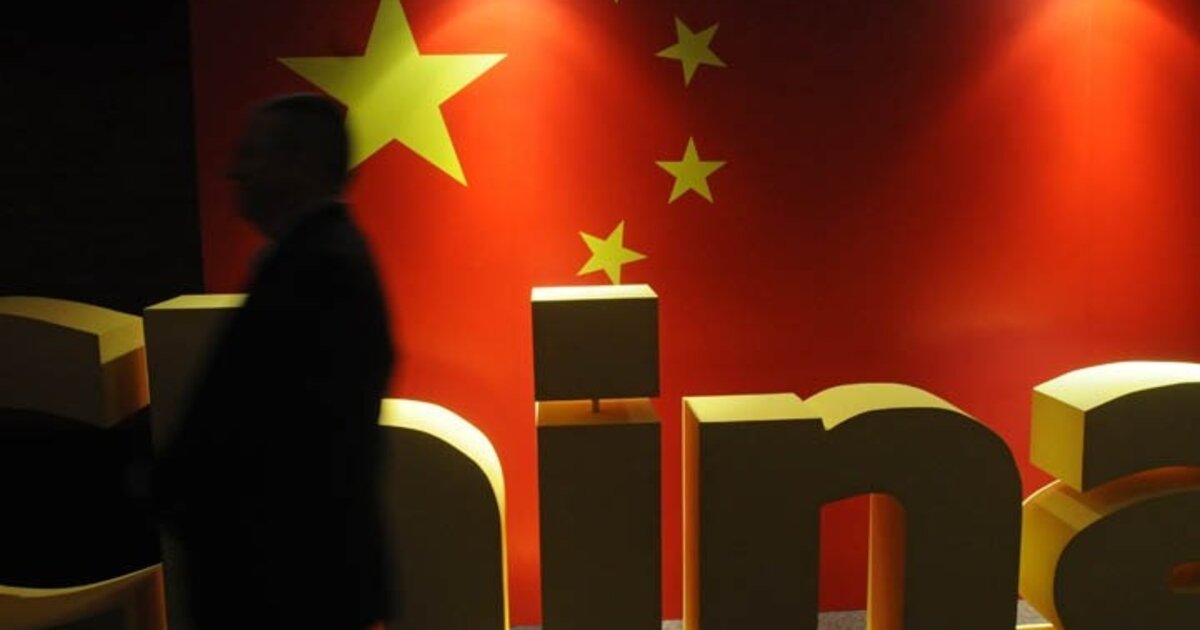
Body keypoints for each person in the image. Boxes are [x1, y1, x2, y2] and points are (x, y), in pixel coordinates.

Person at [153, 93, 394, 628]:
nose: (234, 171)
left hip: (285, 587)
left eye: (252, 152)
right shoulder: (322, 259)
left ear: (298, 164)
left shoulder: (318, 270)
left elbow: (278, 441)